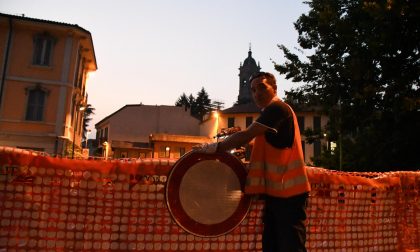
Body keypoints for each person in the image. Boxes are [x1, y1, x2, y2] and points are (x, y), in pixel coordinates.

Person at [196, 72, 311, 252]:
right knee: (275, 247)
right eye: (253, 89)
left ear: (275, 88)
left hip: (289, 196)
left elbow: (245, 135)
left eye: (262, 87)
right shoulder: (270, 115)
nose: (257, 93)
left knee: (289, 247)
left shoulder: (277, 109)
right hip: (279, 195)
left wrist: (214, 148)